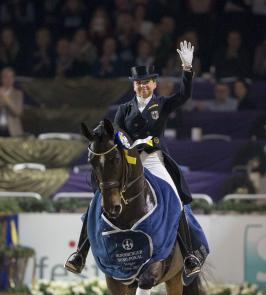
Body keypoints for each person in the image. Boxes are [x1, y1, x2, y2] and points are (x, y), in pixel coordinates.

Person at [65, 40, 202, 277]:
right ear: (134, 87)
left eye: (146, 82)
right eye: (138, 83)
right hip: (128, 161)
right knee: (96, 200)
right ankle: (80, 253)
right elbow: (117, 133)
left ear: (154, 83)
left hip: (152, 159)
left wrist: (187, 70)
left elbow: (184, 95)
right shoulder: (124, 109)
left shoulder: (162, 104)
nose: (143, 86)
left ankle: (189, 255)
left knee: (176, 199)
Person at [0, 67, 24, 137]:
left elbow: (18, 112)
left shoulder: (18, 94)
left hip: (12, 131)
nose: (9, 80)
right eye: (6, 77)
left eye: (11, 77)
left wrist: (7, 99)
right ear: (2, 79)